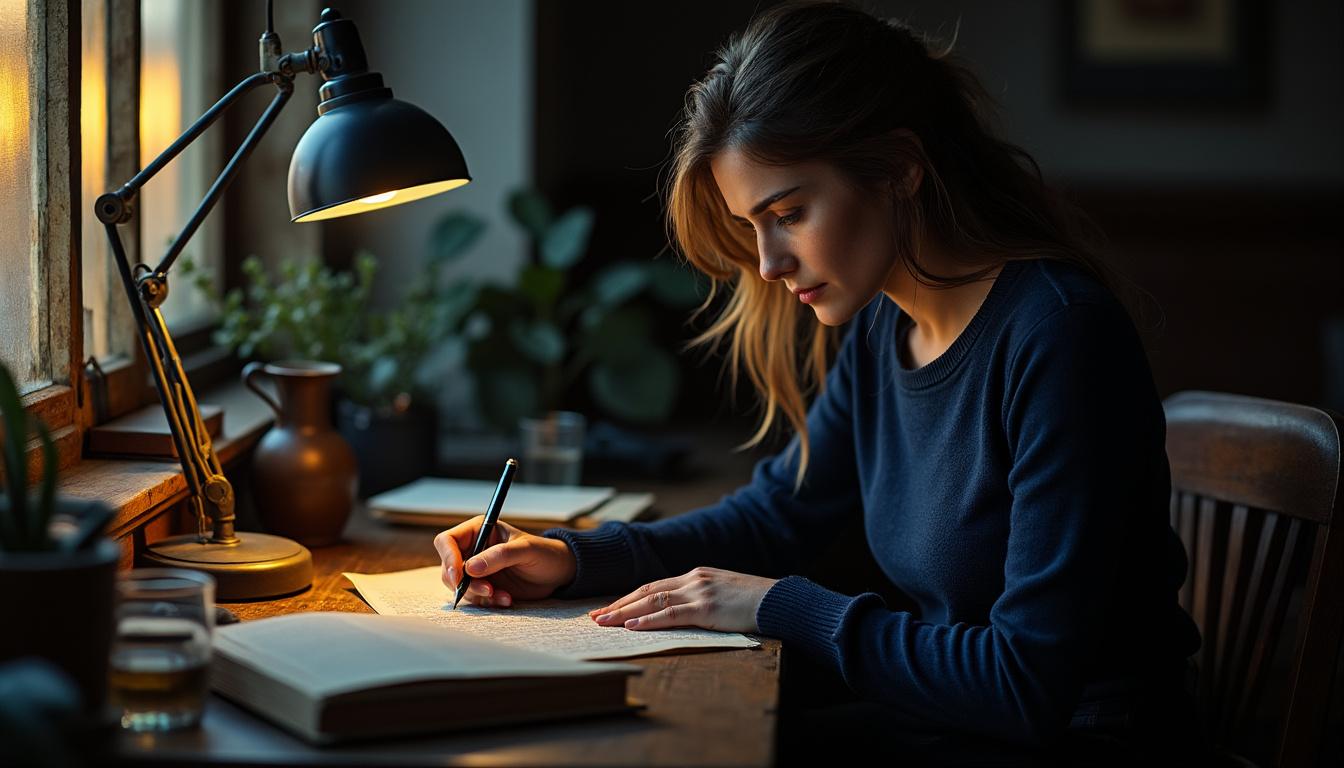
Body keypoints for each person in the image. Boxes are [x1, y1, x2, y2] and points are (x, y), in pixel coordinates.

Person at [434, 2, 1203, 763]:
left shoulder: (1059, 337)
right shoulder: (884, 325)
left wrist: (776, 604)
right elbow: (778, 515)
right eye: (752, 227)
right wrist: (572, 559)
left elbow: (1024, 685)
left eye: (791, 213)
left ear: (900, 168)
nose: (767, 263)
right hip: (949, 721)